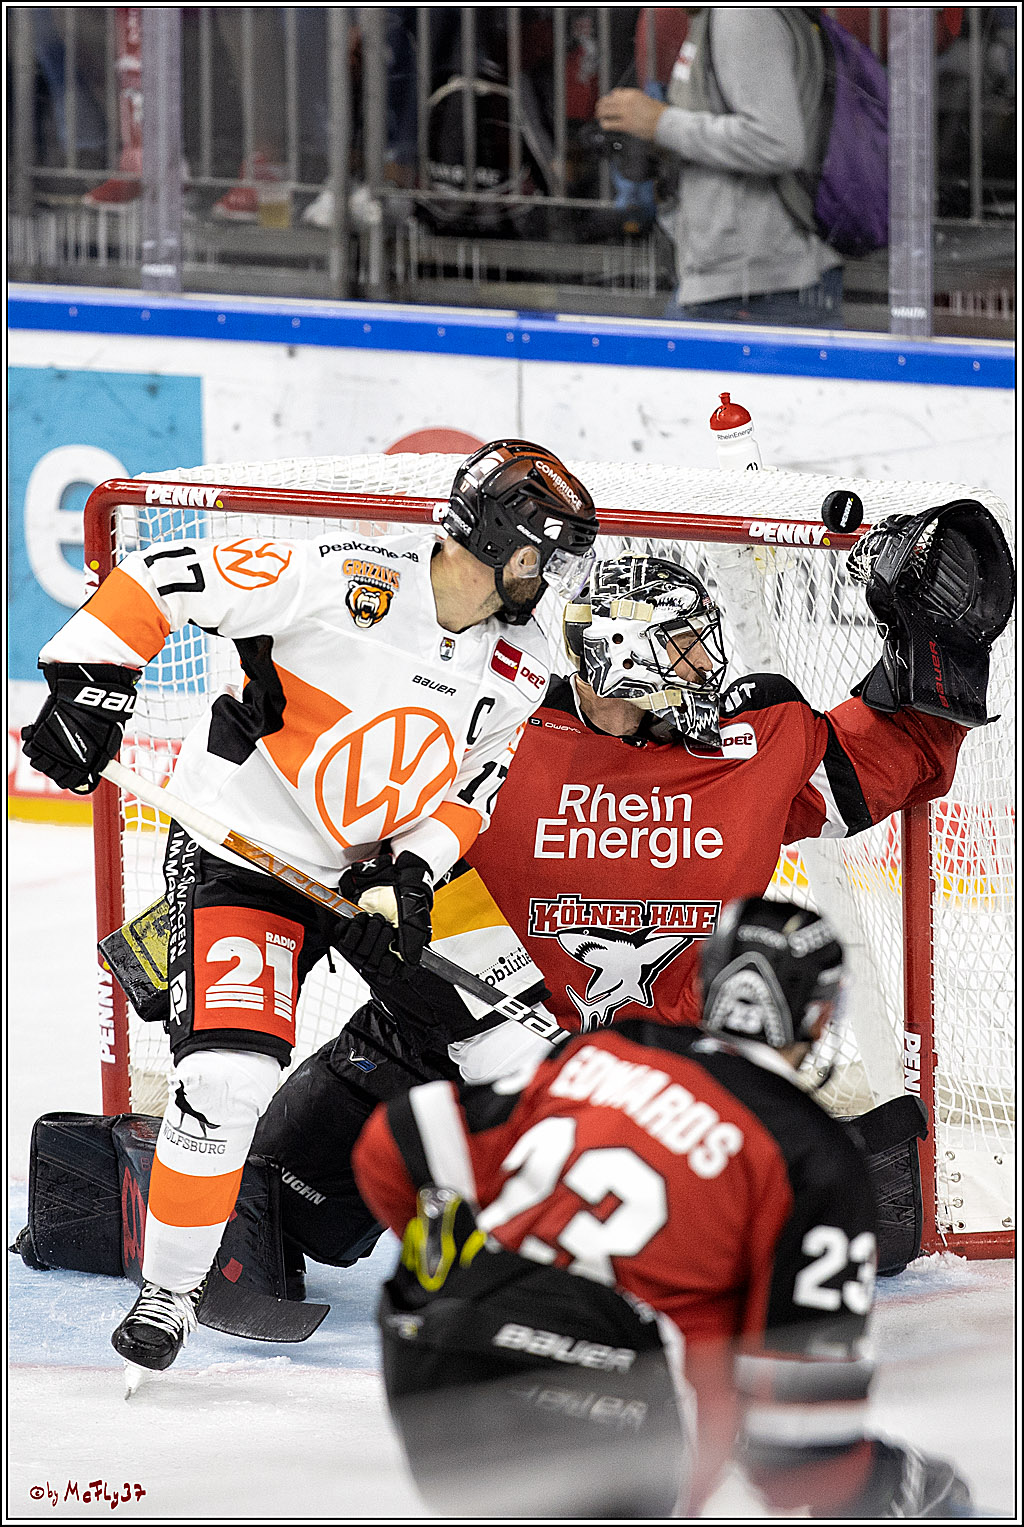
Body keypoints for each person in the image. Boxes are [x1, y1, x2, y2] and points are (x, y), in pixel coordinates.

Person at [255, 528, 995, 1284]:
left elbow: (889, 755)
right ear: (623, 653)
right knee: (263, 1197)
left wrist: (944, 643)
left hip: (662, 1090)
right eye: (685, 647)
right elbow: (333, 842)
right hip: (449, 1051)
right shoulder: (491, 728)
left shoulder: (754, 745)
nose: (710, 665)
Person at [21, 438, 598, 1380]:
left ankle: (536, 1277)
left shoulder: (519, 659)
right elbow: (163, 575)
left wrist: (409, 873)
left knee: (521, 1053)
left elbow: (473, 790)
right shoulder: (347, 579)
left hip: (381, 873)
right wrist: (92, 680)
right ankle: (169, 1289)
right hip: (250, 860)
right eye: (545, 552)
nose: (553, 576)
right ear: (497, 540)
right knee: (227, 1084)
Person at [351, 895, 972, 1518]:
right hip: (613, 1400)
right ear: (819, 1013)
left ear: (704, 981)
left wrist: (466, 1261)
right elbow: (798, 1440)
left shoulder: (605, 1050)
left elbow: (395, 1144)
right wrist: (894, 1486)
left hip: (435, 1351)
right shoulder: (815, 1155)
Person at [595, 7, 846, 327]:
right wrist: (657, 138)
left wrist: (662, 123)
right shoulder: (719, 17)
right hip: (743, 278)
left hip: (759, 286)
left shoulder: (741, 15)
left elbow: (776, 142)